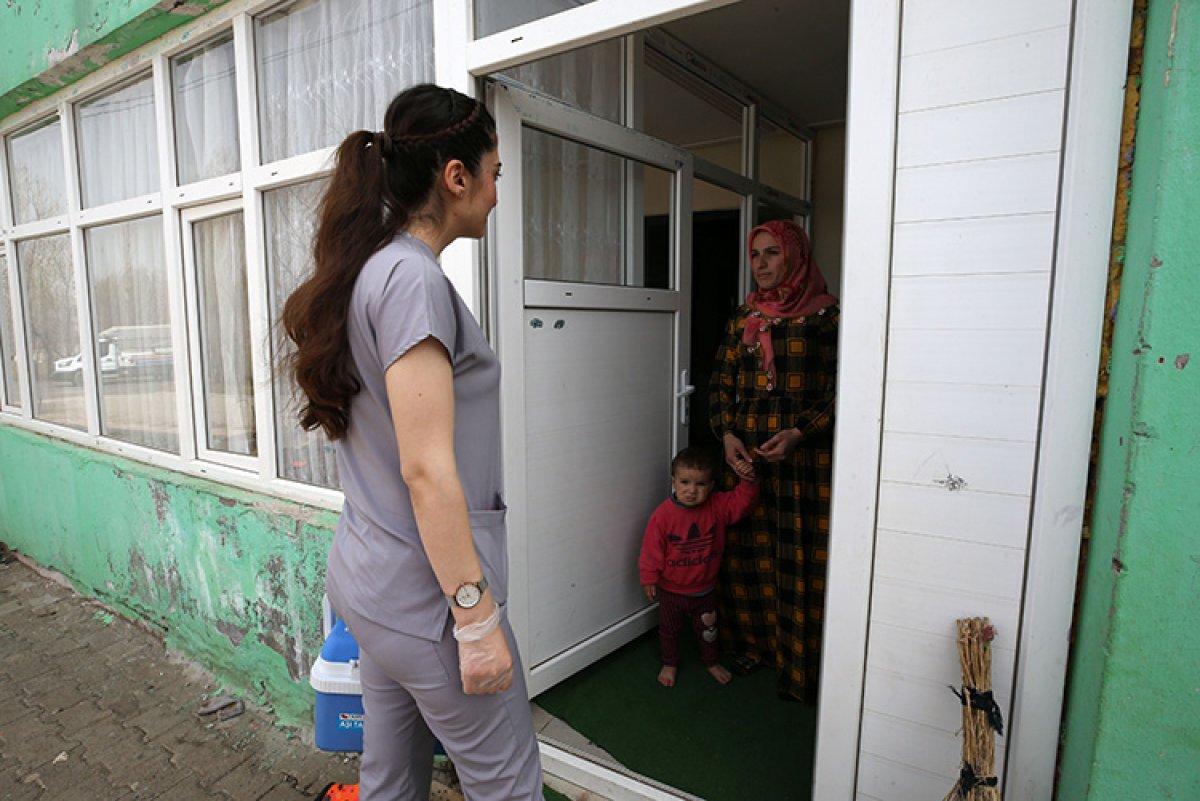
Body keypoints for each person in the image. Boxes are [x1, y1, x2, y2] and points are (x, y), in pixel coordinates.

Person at [281, 84, 542, 800]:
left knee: (390, 778)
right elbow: (426, 468)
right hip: (430, 605)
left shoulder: (373, 269)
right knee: (507, 784)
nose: (496, 193)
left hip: (373, 588)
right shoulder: (411, 280)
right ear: (456, 177)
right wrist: (476, 621)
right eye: (493, 174)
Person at [708, 219, 839, 703]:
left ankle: (799, 664)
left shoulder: (826, 318)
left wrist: (800, 432)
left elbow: (843, 389)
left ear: (795, 256)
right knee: (747, 555)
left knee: (797, 557)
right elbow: (721, 382)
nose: (760, 264)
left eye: (772, 253)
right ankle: (755, 647)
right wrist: (727, 435)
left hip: (803, 464)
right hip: (746, 459)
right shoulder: (745, 316)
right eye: (755, 254)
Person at [638, 446, 758, 688]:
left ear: (711, 485)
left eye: (700, 484)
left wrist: (748, 481)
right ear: (673, 481)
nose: (691, 490)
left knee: (708, 629)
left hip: (705, 590)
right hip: (671, 591)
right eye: (684, 482)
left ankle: (711, 661)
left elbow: (741, 504)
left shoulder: (717, 506)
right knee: (669, 630)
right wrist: (648, 578)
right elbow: (651, 550)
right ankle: (670, 662)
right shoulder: (662, 516)